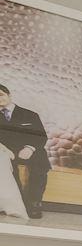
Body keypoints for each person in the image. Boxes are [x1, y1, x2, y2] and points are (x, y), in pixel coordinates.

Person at [0, 84, 51, 221]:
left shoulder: (30, 114)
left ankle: (35, 202)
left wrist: (29, 148)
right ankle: (21, 203)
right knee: (7, 166)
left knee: (40, 162)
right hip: (6, 152)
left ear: (9, 95)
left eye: (1, 95)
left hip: (30, 149)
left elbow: (41, 136)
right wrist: (5, 150)